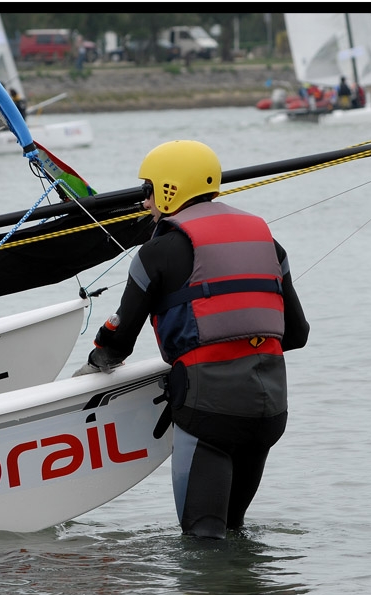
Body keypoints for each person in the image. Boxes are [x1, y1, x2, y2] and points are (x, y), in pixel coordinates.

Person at [72, 140, 310, 539]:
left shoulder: (157, 251)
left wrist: (94, 364)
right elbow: (297, 334)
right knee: (234, 533)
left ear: (169, 188)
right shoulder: (268, 241)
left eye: (147, 190)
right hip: (269, 410)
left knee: (202, 540)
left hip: (208, 413)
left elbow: (118, 342)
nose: (145, 201)